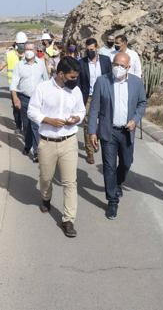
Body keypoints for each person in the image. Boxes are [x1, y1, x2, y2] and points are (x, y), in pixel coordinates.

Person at [28, 57, 86, 238]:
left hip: (69, 141)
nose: (74, 80)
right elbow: (32, 110)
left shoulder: (75, 91)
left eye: (76, 76)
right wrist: (48, 120)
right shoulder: (43, 88)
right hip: (47, 142)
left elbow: (81, 110)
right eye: (72, 76)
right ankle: (46, 198)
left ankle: (68, 220)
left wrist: (77, 118)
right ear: (61, 74)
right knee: (46, 178)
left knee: (70, 182)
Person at [88, 52, 147, 219]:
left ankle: (118, 182)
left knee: (127, 162)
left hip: (127, 132)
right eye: (115, 64)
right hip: (109, 131)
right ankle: (112, 201)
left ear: (128, 67)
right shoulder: (102, 81)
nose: (118, 68)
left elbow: (142, 103)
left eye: (122, 65)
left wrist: (135, 119)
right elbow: (94, 109)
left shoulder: (136, 83)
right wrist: (92, 131)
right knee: (108, 166)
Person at [10, 43, 48, 162]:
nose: (28, 51)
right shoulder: (19, 65)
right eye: (26, 49)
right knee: (26, 126)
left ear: (36, 50)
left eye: (31, 49)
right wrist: (15, 98)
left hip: (38, 100)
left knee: (36, 126)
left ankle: (36, 152)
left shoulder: (41, 64)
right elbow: (14, 84)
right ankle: (28, 145)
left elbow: (46, 81)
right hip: (24, 99)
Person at [78, 38, 111, 164]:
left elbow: (110, 78)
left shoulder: (105, 60)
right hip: (89, 97)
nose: (90, 52)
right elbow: (79, 83)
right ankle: (89, 152)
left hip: (103, 96)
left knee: (103, 122)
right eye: (88, 50)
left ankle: (96, 139)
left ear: (97, 47)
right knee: (87, 124)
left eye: (92, 49)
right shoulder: (82, 63)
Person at [0, 31, 27, 133]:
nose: (22, 45)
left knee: (26, 108)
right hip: (14, 87)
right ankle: (18, 126)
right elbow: (0, 67)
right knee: (16, 108)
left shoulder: (29, 54)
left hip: (27, 86)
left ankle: (26, 127)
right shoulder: (9, 55)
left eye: (24, 43)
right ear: (16, 44)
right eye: (20, 43)